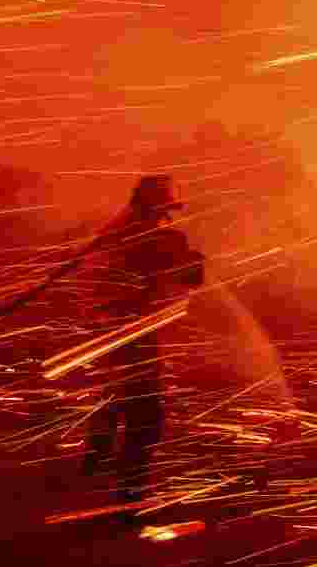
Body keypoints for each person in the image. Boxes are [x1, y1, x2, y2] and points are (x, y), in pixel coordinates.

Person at [80, 175, 205, 503]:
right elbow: (191, 278)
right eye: (166, 210)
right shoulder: (161, 240)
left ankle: (97, 450)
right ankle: (130, 486)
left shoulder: (112, 233)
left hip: (108, 331)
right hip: (135, 334)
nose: (167, 217)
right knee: (145, 414)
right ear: (157, 207)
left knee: (115, 394)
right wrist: (190, 259)